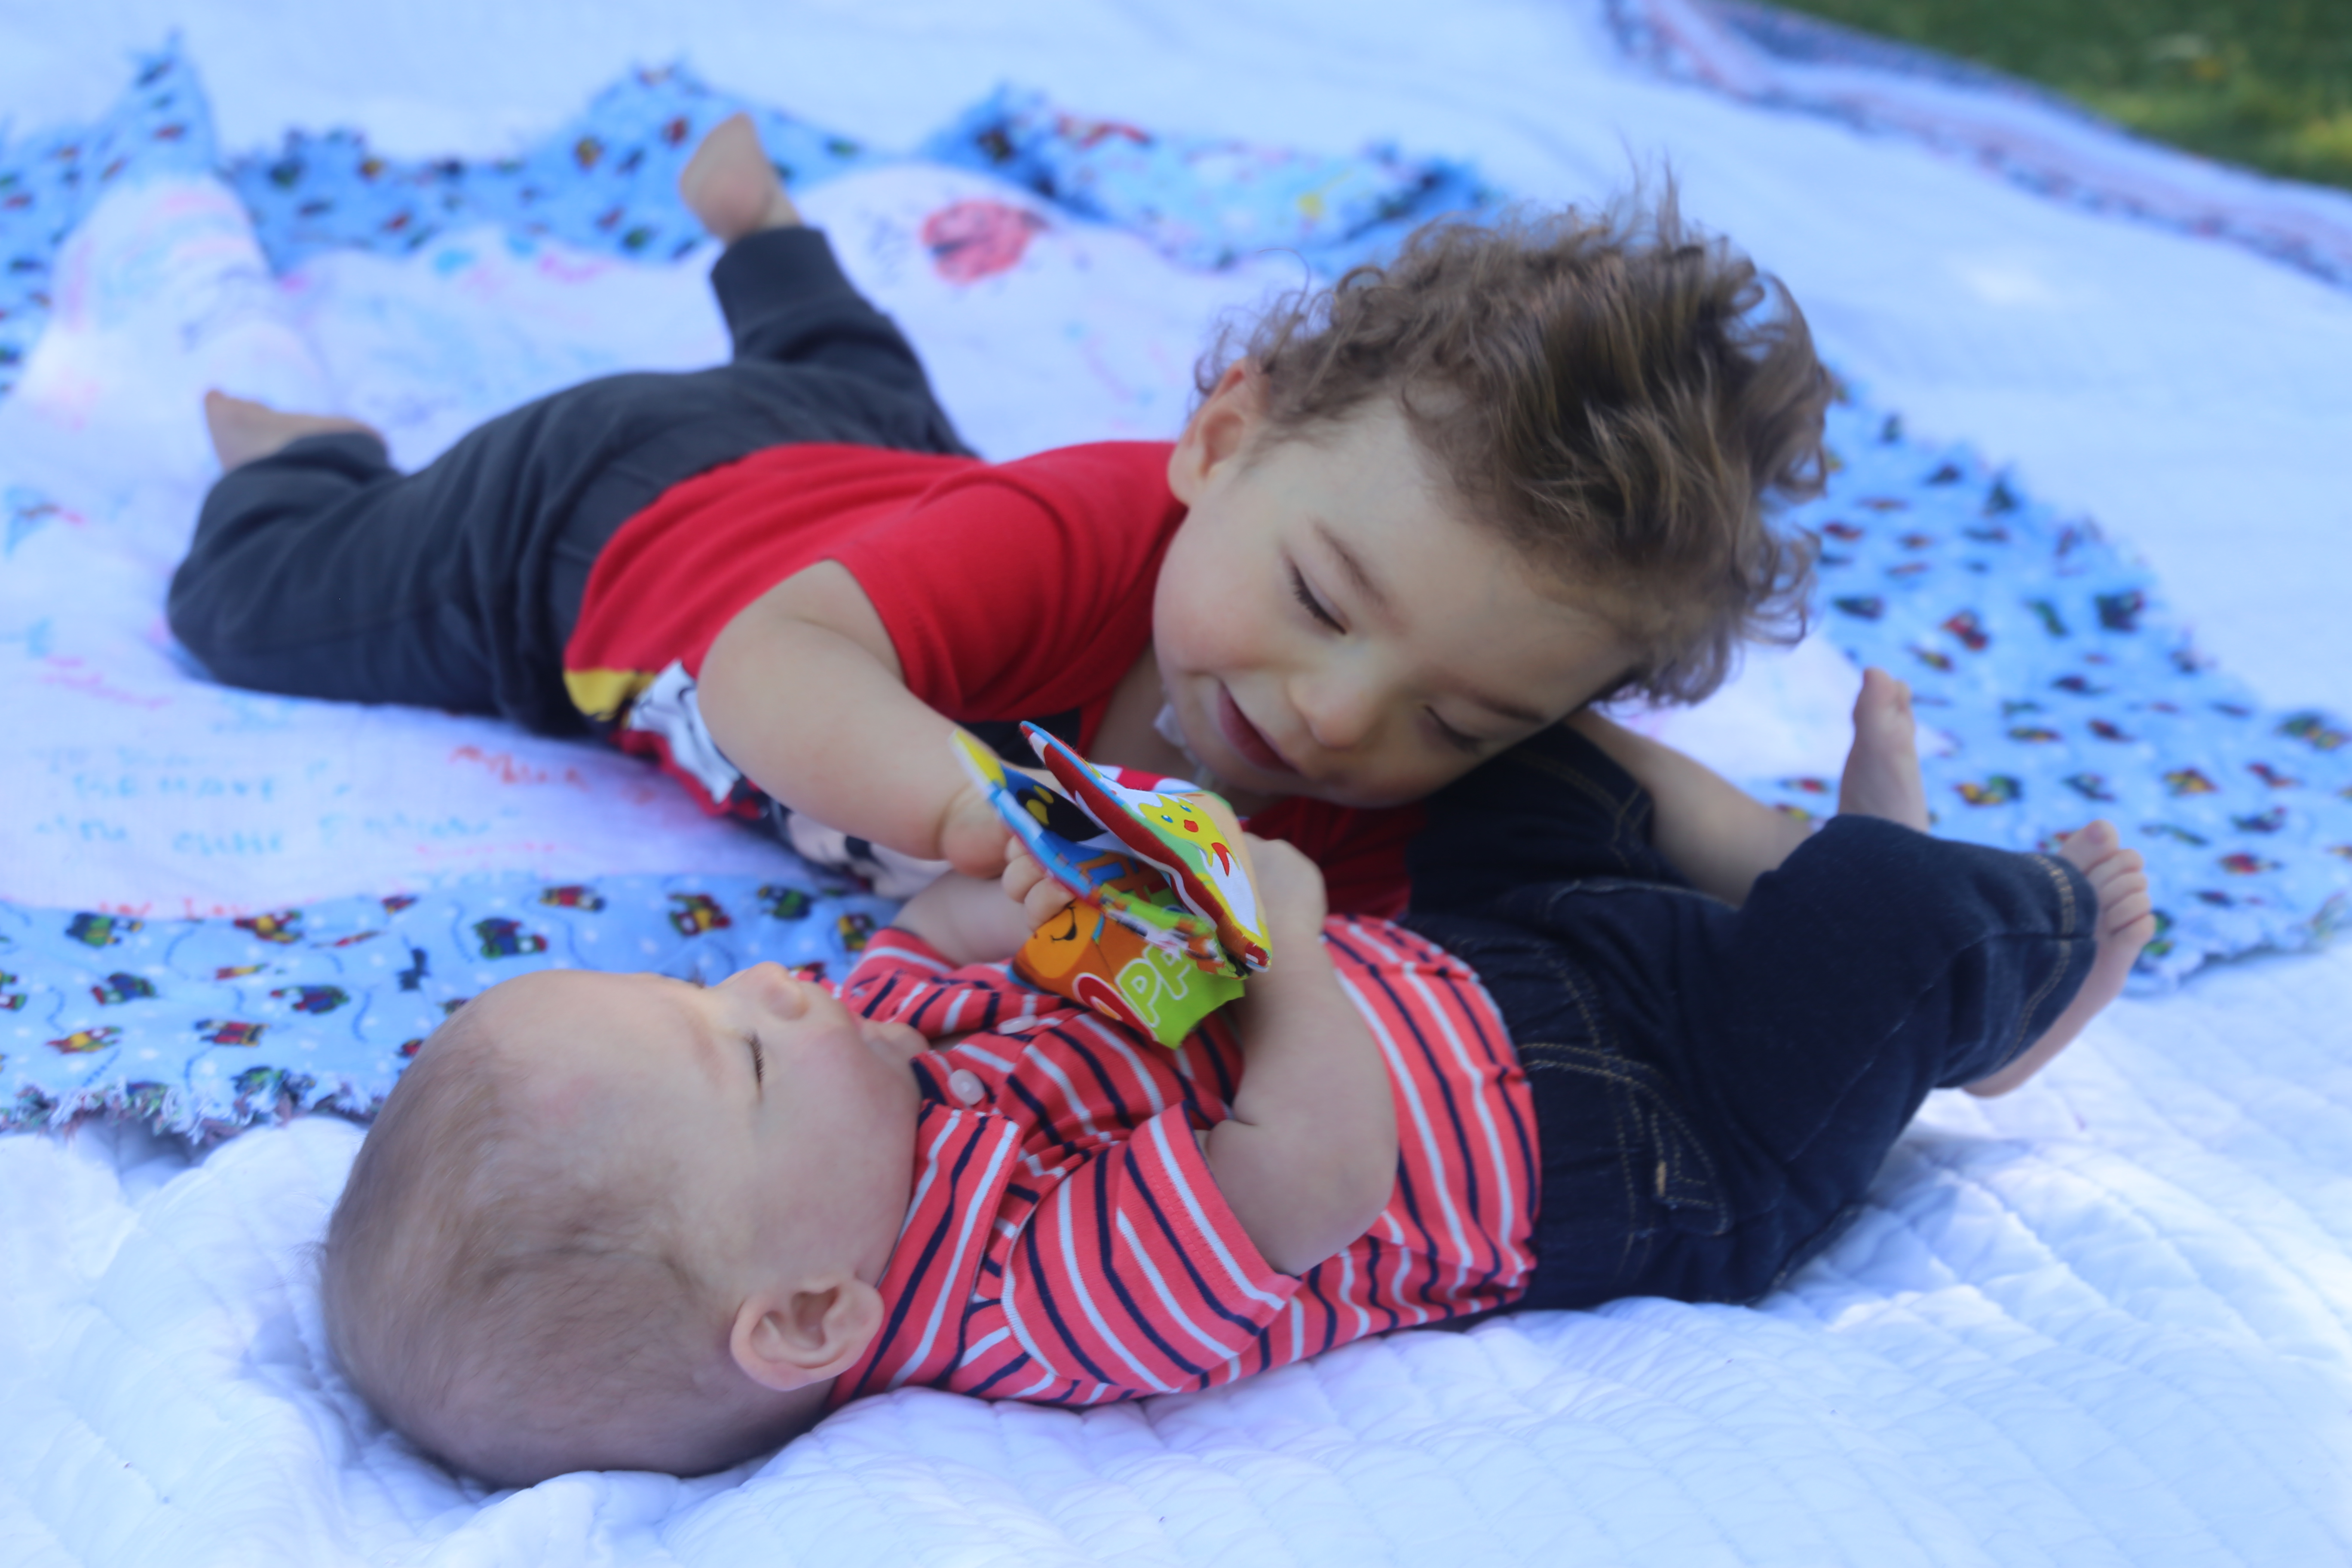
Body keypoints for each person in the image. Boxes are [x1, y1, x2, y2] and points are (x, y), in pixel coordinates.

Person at [317, 671, 2155, 1486]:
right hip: (1660, 1139)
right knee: (1878, 938)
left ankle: (1856, 910)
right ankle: (2012, 985)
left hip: (1498, 980)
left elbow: (948, 931)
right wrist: (1276, 952)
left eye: (713, 986)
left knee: (1509, 787)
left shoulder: (879, 1057)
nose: (774, 994)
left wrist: (1027, 884)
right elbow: (1319, 1172)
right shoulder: (1029, 1300)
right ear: (805, 1315)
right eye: (734, 1058)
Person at [169, 114, 1831, 905]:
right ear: (1224, 439)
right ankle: (296, 441)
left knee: (857, 388)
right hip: (602, 525)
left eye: (1464, 719)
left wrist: (1862, 888)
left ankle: (772, 253)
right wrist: (981, 817)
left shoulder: (1422, 737)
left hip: (881, 460)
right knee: (250, 607)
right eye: (1323, 602)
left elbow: (1624, 803)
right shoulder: (1093, 537)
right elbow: (778, 662)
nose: (1335, 719)